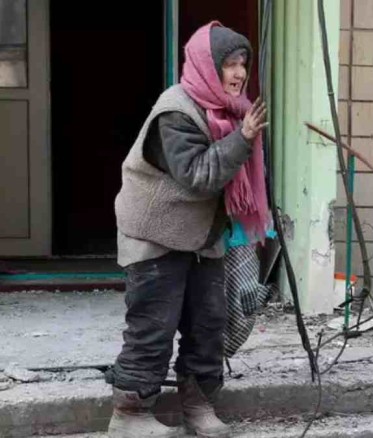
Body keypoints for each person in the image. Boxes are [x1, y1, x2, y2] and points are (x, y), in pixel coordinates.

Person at [108, 21, 270, 438]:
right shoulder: (176, 111)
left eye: (242, 65)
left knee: (208, 321)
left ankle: (198, 404)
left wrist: (242, 135)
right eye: (229, 64)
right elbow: (198, 175)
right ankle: (130, 413)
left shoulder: (229, 110)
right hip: (156, 231)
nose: (237, 74)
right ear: (205, 64)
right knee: (154, 322)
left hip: (200, 234)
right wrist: (244, 138)